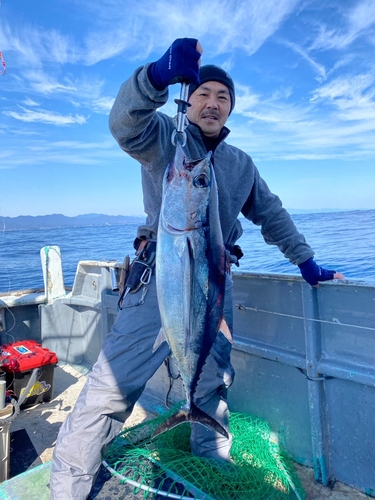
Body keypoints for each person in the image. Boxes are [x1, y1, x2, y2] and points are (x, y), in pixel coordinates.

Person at [49, 38, 344, 499]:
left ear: (230, 110)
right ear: (190, 102)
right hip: (157, 281)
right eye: (204, 94)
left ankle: (212, 467)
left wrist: (304, 260)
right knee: (109, 389)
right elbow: (123, 124)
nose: (212, 103)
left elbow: (271, 213)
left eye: (223, 98)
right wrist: (154, 78)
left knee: (211, 385)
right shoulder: (165, 137)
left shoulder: (240, 164)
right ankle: (67, 488)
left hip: (213, 288)